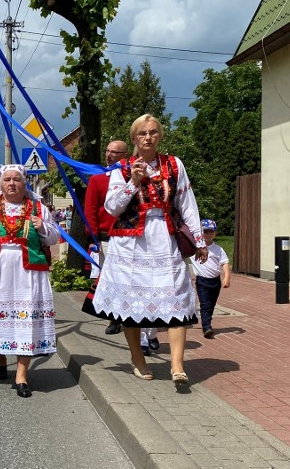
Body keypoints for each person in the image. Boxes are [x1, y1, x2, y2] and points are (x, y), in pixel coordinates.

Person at [87, 114, 207, 387]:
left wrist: (199, 241)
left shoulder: (174, 164)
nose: (148, 137)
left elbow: (187, 203)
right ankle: (138, 359)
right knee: (132, 303)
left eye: (153, 132)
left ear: (160, 135)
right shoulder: (122, 168)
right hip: (130, 244)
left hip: (165, 238)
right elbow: (111, 208)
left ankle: (177, 365)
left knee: (176, 297)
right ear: (134, 138)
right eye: (142, 133)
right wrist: (133, 182)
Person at [0, 164, 59, 398]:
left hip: (27, 270)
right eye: (7, 179)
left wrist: (43, 228)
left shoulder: (38, 208)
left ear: (24, 183)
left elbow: (54, 237)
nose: (12, 183)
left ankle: (22, 375)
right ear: (1, 184)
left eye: (17, 179)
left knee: (23, 320)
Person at [84, 140, 128, 336]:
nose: (109, 155)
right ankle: (113, 318)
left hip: (130, 236)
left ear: (124, 155)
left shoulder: (131, 176)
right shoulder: (98, 178)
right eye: (107, 151)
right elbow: (91, 209)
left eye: (115, 152)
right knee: (110, 279)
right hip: (106, 237)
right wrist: (92, 236)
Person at [191, 219, 231, 339]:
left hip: (215, 281)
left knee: (212, 304)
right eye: (205, 231)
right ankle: (206, 327)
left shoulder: (218, 249)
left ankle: (207, 321)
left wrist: (227, 277)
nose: (208, 234)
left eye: (211, 232)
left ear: (215, 233)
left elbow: (225, 263)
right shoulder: (195, 248)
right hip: (202, 281)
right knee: (205, 304)